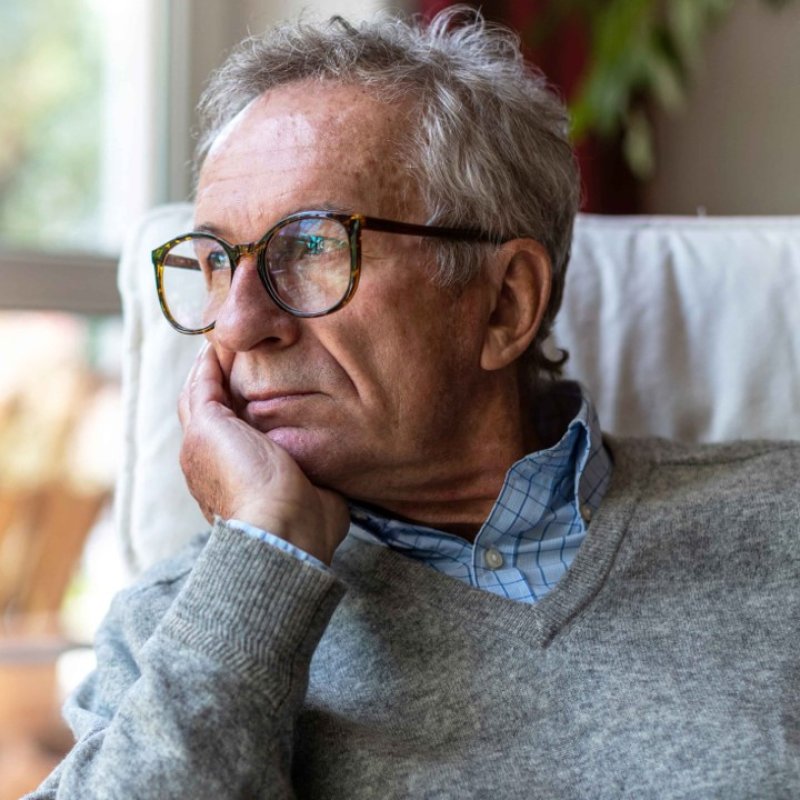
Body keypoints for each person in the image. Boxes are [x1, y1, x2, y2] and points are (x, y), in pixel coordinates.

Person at [30, 8, 799, 799]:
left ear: (504, 304)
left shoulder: (783, 522)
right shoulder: (182, 627)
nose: (236, 324)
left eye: (312, 246)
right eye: (217, 263)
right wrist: (263, 555)